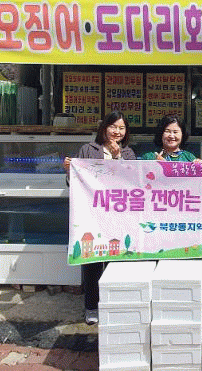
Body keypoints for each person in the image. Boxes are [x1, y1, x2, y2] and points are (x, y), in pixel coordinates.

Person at [63, 111, 136, 325]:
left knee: (117, 262)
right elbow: (75, 183)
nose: (117, 132)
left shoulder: (129, 152)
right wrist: (69, 171)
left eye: (122, 128)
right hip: (92, 216)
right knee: (92, 261)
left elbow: (131, 181)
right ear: (104, 128)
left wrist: (118, 158)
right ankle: (91, 307)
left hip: (119, 217)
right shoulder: (88, 149)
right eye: (113, 127)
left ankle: (114, 305)